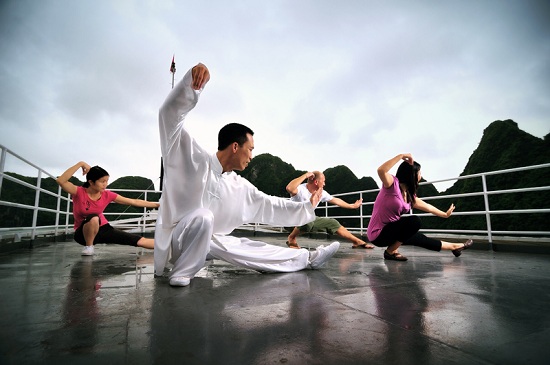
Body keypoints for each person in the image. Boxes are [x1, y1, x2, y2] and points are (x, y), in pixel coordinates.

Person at [154, 62, 340, 287]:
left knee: (245, 245)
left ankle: (307, 258)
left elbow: (270, 205)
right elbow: (168, 116)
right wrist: (190, 88)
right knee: (203, 218)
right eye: (250, 149)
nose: (252, 156)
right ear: (235, 146)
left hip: (210, 244)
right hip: (178, 242)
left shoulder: (238, 186)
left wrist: (306, 207)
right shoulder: (190, 156)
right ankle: (181, 273)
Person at [366, 153, 473, 261]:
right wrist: (401, 156)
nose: (420, 176)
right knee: (414, 221)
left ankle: (455, 247)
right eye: (419, 172)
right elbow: (381, 170)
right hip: (378, 234)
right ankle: (390, 252)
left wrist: (445, 214)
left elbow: (428, 207)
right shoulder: (392, 185)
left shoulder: (409, 196)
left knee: (420, 238)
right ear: (411, 174)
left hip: (392, 231)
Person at [56, 162, 160, 256]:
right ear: (91, 182)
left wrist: (158, 205)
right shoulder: (78, 192)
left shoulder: (107, 195)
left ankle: (169, 245)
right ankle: (89, 247)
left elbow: (133, 201)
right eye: (102, 181)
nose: (105, 184)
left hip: (104, 229)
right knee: (94, 218)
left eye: (106, 181)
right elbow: (61, 180)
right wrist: (80, 164)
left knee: (139, 241)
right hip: (82, 234)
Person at [285, 171, 374, 249]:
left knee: (332, 223)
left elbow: (335, 200)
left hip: (308, 219)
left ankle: (357, 241)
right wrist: (305, 175)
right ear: (316, 182)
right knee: (309, 220)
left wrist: (352, 206)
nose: (324, 184)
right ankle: (291, 238)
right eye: (323, 181)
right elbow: (289, 188)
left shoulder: (321, 192)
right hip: (292, 220)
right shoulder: (301, 189)